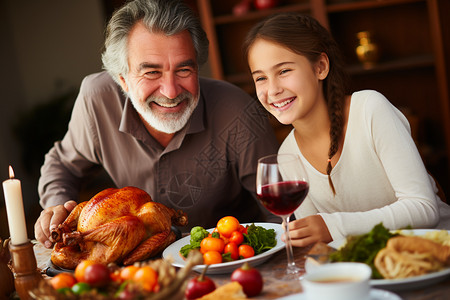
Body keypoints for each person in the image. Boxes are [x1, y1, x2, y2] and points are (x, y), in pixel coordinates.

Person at [35, 0, 279, 249]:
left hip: (225, 260)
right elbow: (63, 165)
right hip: (137, 270)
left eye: (184, 69)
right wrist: (58, 206)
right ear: (123, 80)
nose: (171, 92)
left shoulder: (238, 110)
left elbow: (280, 212)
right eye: (152, 72)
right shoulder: (97, 98)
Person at [243, 12, 450, 247]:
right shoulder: (287, 154)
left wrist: (333, 226)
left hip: (438, 255)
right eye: (261, 78)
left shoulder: (370, 108)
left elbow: (424, 208)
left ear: (320, 67)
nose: (272, 90)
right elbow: (323, 245)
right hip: (375, 270)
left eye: (284, 71)